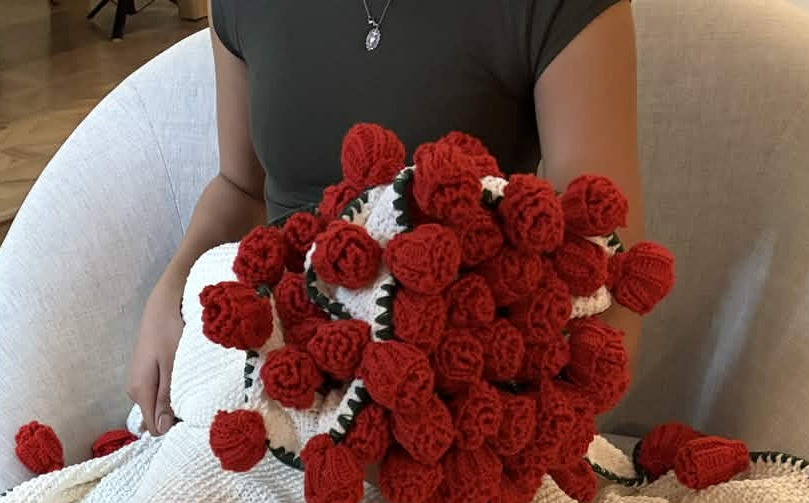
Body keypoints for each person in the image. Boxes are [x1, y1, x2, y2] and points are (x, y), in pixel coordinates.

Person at [128, 0, 644, 439]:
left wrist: (497, 442)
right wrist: (169, 293)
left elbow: (606, 270)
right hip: (270, 373)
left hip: (449, 405)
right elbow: (241, 188)